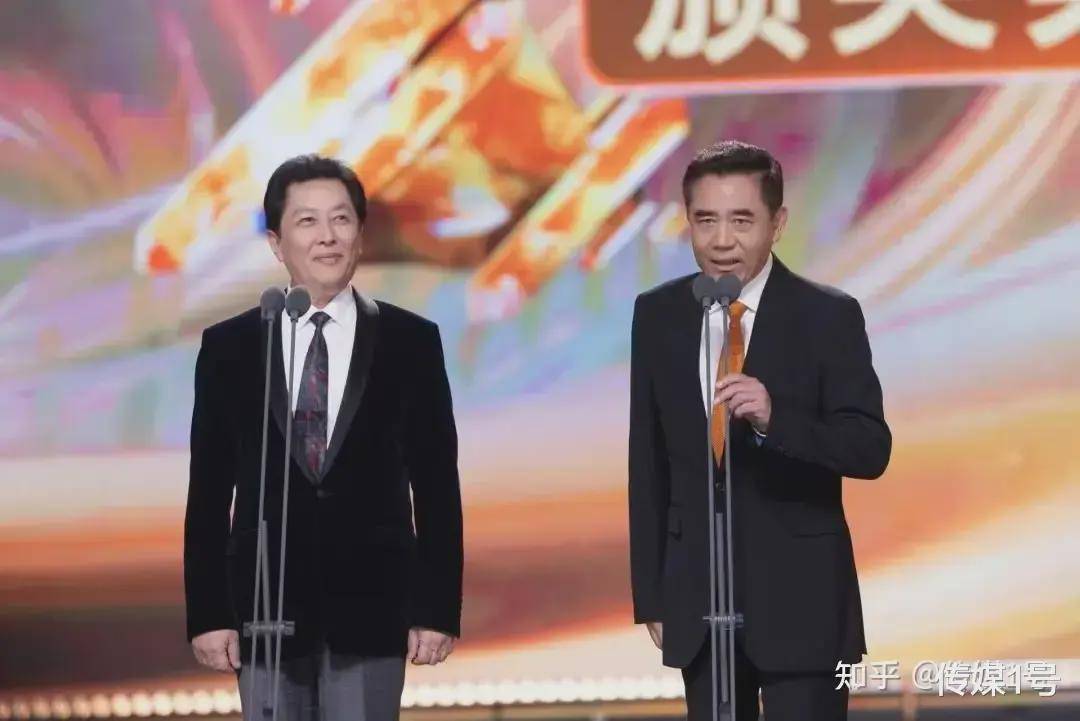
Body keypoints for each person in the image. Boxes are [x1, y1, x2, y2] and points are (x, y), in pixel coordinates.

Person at [184, 154, 463, 721]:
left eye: (341, 219)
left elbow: (437, 486)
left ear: (361, 233)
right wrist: (209, 613)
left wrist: (437, 609)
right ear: (276, 242)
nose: (327, 236)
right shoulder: (231, 348)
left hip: (373, 609)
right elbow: (208, 493)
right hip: (265, 610)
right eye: (307, 221)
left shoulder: (411, 342)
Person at [628, 141, 891, 721]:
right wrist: (652, 593)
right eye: (706, 220)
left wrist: (777, 420)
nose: (722, 240)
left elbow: (870, 448)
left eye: (742, 220)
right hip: (699, 604)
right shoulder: (658, 314)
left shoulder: (827, 315)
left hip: (803, 602)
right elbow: (647, 461)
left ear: (778, 223)